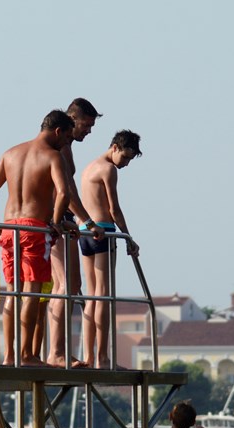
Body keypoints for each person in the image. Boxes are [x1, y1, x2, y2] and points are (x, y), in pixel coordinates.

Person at [0, 110, 75, 367]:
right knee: (33, 292)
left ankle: (8, 356)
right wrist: (56, 223)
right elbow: (64, 193)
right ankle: (26, 355)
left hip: (8, 227)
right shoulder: (53, 156)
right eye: (67, 136)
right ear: (57, 131)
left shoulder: (11, 153)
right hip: (34, 228)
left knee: (12, 293)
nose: (68, 142)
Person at [46, 98, 105, 368]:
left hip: (67, 218)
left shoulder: (65, 145)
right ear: (73, 119)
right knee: (65, 286)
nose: (88, 132)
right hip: (57, 218)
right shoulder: (59, 145)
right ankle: (56, 353)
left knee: (72, 287)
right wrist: (87, 221)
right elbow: (65, 190)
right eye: (87, 125)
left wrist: (81, 219)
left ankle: (58, 351)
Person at [78, 130, 142, 368]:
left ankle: (88, 356)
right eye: (124, 157)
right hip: (102, 230)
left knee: (92, 294)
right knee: (103, 294)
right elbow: (114, 209)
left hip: (85, 231)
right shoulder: (108, 169)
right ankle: (102, 358)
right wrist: (128, 236)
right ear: (114, 147)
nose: (124, 164)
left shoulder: (88, 168)